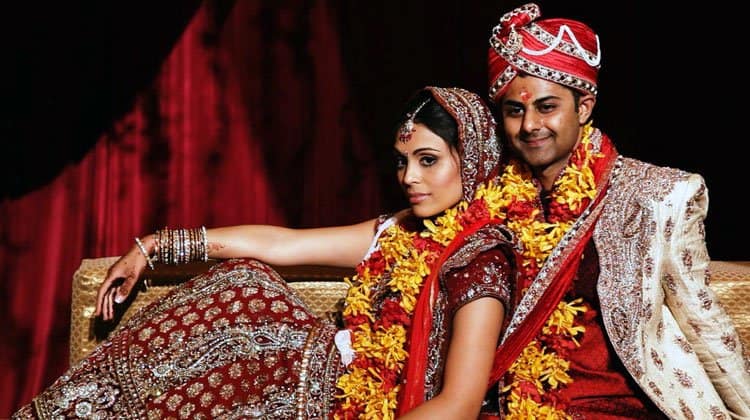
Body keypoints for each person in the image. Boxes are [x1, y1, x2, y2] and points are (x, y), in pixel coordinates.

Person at [12, 86, 520, 419]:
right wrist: (155, 247)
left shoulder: (479, 262)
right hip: (322, 372)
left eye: (428, 161)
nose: (409, 178)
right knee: (244, 284)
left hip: (360, 408)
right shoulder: (401, 230)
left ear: (473, 160)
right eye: (403, 161)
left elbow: (457, 403)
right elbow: (285, 243)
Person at [483, 3, 750, 419]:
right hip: (516, 406)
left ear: (584, 107)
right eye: (515, 110)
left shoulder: (657, 196)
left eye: (547, 106)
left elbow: (703, 323)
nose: (530, 125)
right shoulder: (489, 200)